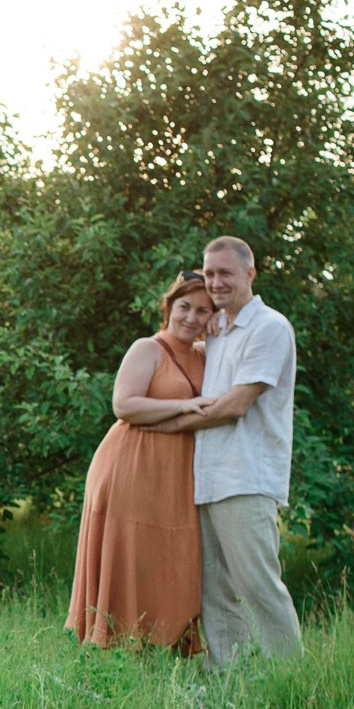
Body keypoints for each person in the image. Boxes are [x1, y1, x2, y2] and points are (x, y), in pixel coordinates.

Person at [147, 236, 303, 667]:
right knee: (214, 593)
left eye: (225, 273)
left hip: (246, 478)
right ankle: (226, 687)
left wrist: (166, 422)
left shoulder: (269, 327)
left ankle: (291, 682)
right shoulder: (219, 330)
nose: (215, 282)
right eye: (209, 273)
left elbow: (235, 405)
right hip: (209, 479)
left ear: (249, 274)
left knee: (259, 586)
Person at [66, 270, 218, 652]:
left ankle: (167, 641)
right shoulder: (148, 348)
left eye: (203, 311)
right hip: (131, 465)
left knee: (173, 554)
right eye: (184, 307)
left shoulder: (207, 355)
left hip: (177, 471)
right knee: (132, 552)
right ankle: (120, 645)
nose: (191, 318)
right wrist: (185, 403)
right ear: (169, 308)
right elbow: (125, 404)